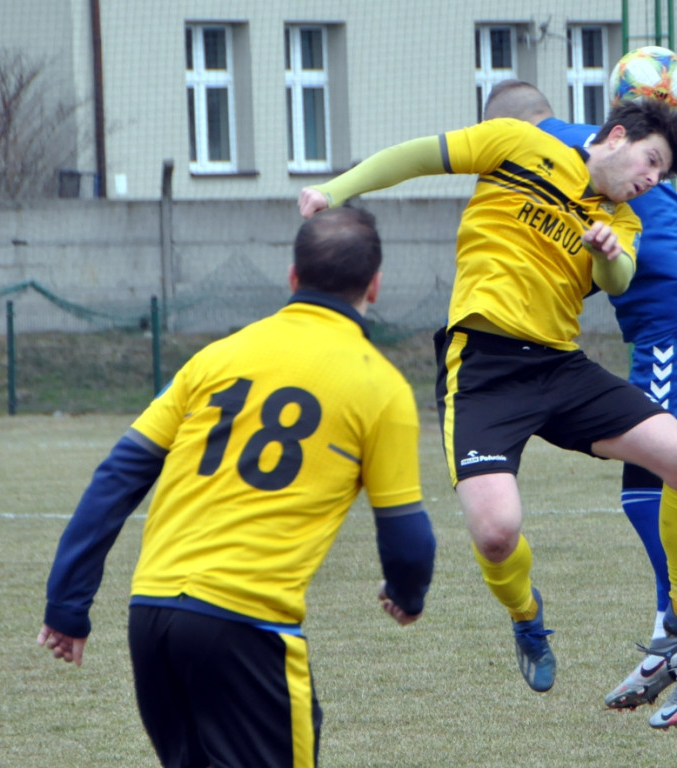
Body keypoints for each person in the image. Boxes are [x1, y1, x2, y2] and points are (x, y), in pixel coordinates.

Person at [297, 98, 677, 700]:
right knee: (496, 534)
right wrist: (335, 190)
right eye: (651, 161)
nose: (652, 179)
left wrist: (608, 252)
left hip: (561, 369)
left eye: (661, 175)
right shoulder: (516, 143)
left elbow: (620, 279)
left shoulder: (625, 221)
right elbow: (415, 157)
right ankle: (527, 617)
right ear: (617, 136)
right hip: (483, 368)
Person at [37, 206, 437, 768]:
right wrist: (407, 593)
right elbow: (407, 536)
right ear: (375, 284)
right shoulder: (381, 387)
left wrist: (67, 603)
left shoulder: (215, 357)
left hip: (152, 619)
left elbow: (117, 479)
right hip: (248, 628)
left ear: (293, 278)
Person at [484, 78, 677, 728]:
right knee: (670, 475)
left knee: (646, 488)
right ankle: (672, 634)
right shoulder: (601, 162)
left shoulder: (555, 144)